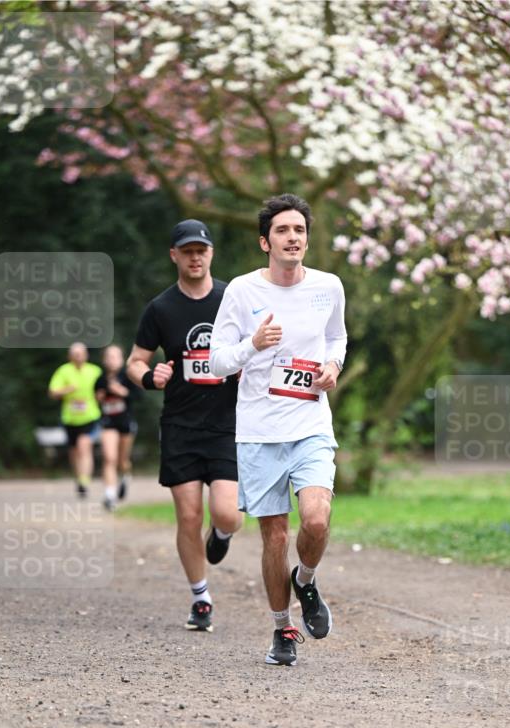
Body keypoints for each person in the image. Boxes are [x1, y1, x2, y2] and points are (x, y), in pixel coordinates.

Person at [210, 193, 347, 666]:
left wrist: (333, 365)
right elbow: (217, 360)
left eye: (299, 230)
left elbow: (336, 336)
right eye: (283, 230)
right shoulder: (242, 291)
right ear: (264, 242)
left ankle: (305, 580)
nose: (293, 238)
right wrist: (252, 344)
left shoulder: (328, 286)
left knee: (316, 519)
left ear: (307, 239)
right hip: (259, 431)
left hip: (310, 423)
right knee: (275, 538)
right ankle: (281, 629)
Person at [127, 219, 242, 633]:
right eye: (187, 251)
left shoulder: (233, 299)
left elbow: (259, 346)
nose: (195, 258)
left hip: (228, 423)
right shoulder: (161, 308)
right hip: (180, 425)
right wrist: (149, 376)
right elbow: (135, 360)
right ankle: (201, 598)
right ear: (174, 255)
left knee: (228, 514)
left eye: (201, 250)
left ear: (211, 253)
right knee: (189, 516)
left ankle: (222, 535)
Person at [48, 342, 102, 497]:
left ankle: (84, 481)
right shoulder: (63, 371)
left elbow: (103, 391)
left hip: (90, 416)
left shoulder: (95, 371)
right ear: (69, 356)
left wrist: (100, 396)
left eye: (80, 353)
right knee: (74, 451)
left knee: (84, 446)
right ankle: (79, 477)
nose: (78, 357)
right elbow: (52, 393)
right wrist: (67, 390)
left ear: (86, 355)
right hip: (70, 418)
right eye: (75, 354)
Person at [95, 344, 138, 511]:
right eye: (109, 357)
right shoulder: (100, 379)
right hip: (108, 422)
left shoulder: (128, 377)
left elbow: (139, 397)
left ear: (122, 359)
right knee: (109, 458)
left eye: (115, 357)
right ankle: (110, 495)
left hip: (125, 422)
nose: (112, 360)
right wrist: (99, 397)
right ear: (104, 360)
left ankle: (125, 476)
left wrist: (122, 392)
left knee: (122, 461)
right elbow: (96, 399)